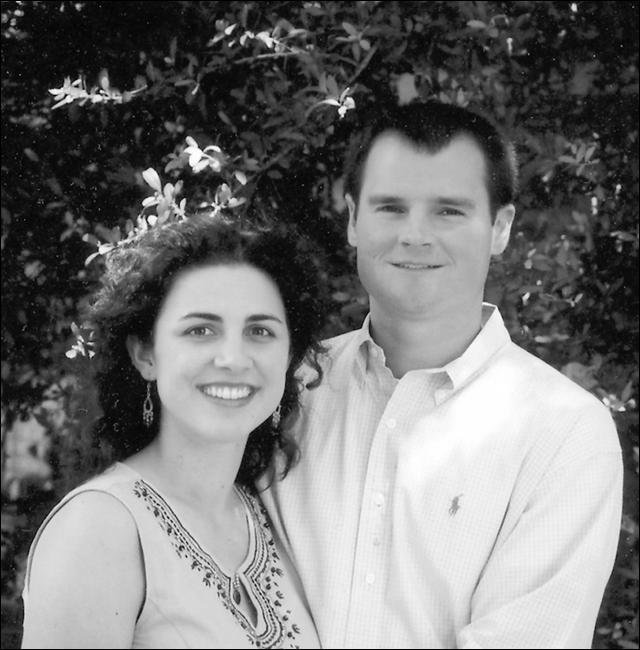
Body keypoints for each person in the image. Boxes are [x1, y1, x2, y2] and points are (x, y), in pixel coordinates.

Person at [260, 100, 623, 649]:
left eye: (449, 211)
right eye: (390, 208)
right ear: (353, 220)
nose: (415, 235)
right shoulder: (284, 390)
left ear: (500, 228)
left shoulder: (565, 434)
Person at [21, 214, 325, 649]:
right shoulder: (97, 529)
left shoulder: (273, 517)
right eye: (200, 330)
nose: (233, 358)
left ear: (288, 356)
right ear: (146, 355)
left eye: (260, 331)